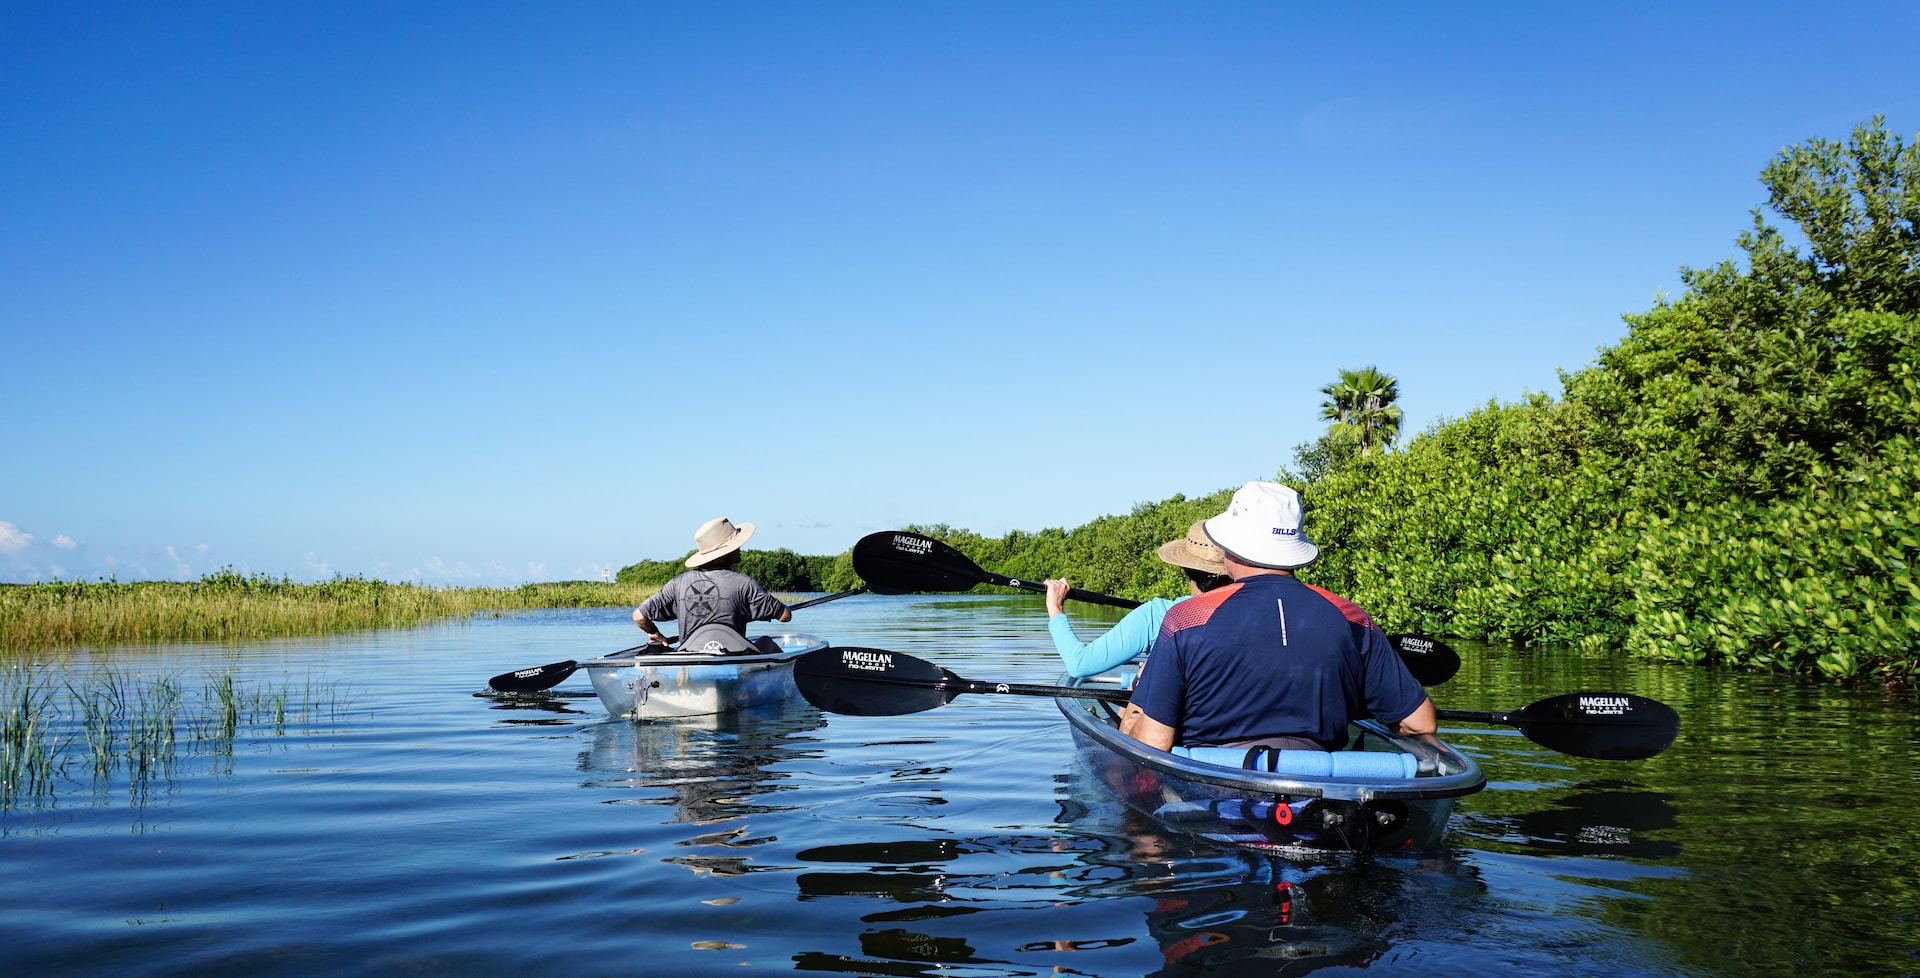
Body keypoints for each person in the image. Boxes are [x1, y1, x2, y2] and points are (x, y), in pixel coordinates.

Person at [1121, 482, 1436, 753]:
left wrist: (1132, 719)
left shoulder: (1185, 617)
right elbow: (1419, 722)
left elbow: (1154, 742)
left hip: (1212, 799)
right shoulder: (1352, 617)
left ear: (1229, 547)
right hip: (1320, 798)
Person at [1041, 521, 1233, 678]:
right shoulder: (1254, 613)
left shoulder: (1156, 615)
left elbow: (1079, 664)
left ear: (1185, 568)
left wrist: (1055, 607)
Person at [633, 517, 792, 648]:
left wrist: (654, 632)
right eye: (736, 546)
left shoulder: (677, 583)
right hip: (734, 661)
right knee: (766, 641)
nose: (740, 548)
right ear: (724, 555)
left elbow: (639, 616)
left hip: (690, 662)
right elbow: (785, 616)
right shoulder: (745, 584)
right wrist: (762, 610)